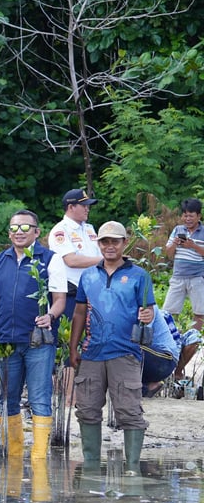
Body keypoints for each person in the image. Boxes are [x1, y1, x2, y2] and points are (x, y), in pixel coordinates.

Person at [0, 210, 67, 460]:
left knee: (39, 398)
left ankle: (38, 459)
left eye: (25, 228)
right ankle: (13, 456)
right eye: (14, 228)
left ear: (37, 232)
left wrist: (51, 316)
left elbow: (59, 300)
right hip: (6, 341)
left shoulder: (51, 259)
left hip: (39, 341)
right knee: (7, 398)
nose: (19, 233)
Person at [68, 221, 155, 475]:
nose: (109, 246)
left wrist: (147, 315)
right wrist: (73, 348)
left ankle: (133, 470)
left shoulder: (140, 275)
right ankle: (91, 468)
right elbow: (79, 312)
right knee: (86, 410)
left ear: (124, 243)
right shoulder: (88, 275)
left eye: (114, 241)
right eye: (105, 241)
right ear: (99, 244)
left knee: (129, 411)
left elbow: (147, 310)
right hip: (92, 353)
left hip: (125, 352)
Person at [48, 189, 101, 321]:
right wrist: (105, 260)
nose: (87, 209)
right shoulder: (60, 230)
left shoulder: (89, 228)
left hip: (93, 290)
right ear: (71, 207)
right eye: (84, 206)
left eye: (88, 206)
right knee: (71, 333)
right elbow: (71, 260)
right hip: (71, 292)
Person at [162, 198, 204, 331]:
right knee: (168, 312)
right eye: (185, 215)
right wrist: (174, 243)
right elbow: (168, 254)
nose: (188, 219)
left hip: (197, 277)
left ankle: (194, 339)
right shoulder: (177, 229)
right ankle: (172, 338)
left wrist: (193, 246)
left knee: (200, 312)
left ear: (199, 216)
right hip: (178, 276)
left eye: (191, 215)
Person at [141, 307, 201, 397]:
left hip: (166, 355)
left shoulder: (155, 313)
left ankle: (176, 374)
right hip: (160, 353)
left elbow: (143, 339)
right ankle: (147, 387)